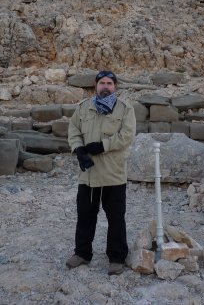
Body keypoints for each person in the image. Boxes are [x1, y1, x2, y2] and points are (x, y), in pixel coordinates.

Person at [65, 70, 136, 275]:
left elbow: (127, 135)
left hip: (113, 173)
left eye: (109, 83)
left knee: (116, 217)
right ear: (95, 86)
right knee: (85, 216)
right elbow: (74, 130)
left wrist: (103, 146)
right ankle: (82, 253)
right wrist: (79, 150)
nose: (105, 86)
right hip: (88, 174)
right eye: (102, 83)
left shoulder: (125, 108)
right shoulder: (83, 107)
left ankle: (117, 257)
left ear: (115, 87)